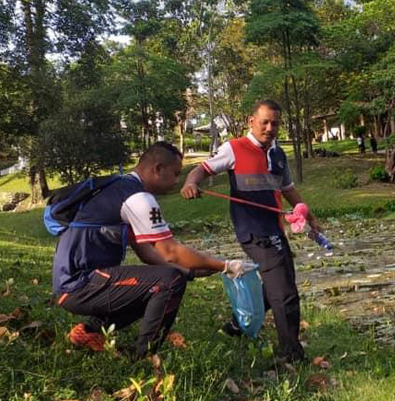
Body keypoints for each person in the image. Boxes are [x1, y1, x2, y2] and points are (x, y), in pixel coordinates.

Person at [53, 142, 246, 358]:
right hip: (79, 284)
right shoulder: (138, 198)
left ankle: (89, 332)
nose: (176, 181)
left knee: (162, 280)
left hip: (72, 283)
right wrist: (225, 265)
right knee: (170, 282)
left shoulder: (121, 188)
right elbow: (170, 252)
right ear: (157, 168)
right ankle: (144, 356)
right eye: (174, 174)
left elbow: (148, 254)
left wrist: (191, 272)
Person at [180, 99, 322, 363]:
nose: (270, 127)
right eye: (265, 122)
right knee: (286, 293)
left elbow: (288, 189)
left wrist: (310, 217)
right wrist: (190, 182)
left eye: (275, 123)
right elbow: (202, 168)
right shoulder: (234, 148)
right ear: (251, 121)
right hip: (253, 231)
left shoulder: (278, 154)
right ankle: (291, 355)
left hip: (275, 228)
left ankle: (237, 325)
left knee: (275, 286)